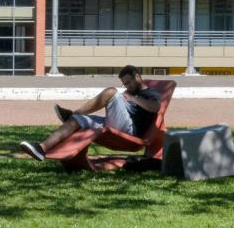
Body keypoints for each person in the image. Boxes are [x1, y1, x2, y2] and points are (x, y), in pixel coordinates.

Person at [19, 65, 161, 160]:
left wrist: (133, 98)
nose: (127, 87)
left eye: (128, 83)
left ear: (137, 77)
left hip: (130, 131)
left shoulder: (150, 93)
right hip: (115, 123)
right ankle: (42, 148)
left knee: (111, 92)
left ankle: (74, 112)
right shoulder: (131, 91)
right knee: (77, 120)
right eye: (124, 84)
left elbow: (155, 107)